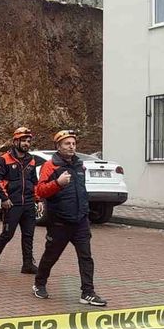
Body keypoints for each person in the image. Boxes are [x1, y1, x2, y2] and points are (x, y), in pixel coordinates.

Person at [32, 130, 107, 306]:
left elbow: (81, 190)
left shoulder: (80, 165)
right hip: (59, 222)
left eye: (73, 144)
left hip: (80, 221)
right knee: (51, 255)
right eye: (67, 144)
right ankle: (39, 283)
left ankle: (88, 292)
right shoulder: (50, 166)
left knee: (86, 257)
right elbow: (40, 191)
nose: (72, 147)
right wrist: (57, 183)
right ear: (58, 146)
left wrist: (85, 211)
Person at [0, 127, 41, 274]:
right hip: (12, 204)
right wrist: (4, 198)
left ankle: (27, 264)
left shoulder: (31, 160)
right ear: (15, 141)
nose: (26, 143)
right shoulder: (4, 159)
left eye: (28, 141)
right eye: (23, 141)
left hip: (28, 204)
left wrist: (38, 199)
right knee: (7, 234)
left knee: (28, 235)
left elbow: (34, 182)